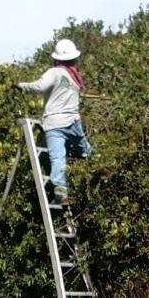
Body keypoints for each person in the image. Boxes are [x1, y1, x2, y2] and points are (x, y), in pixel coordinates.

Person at [17, 38, 93, 204]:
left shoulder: (57, 72)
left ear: (57, 58)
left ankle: (61, 193)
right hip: (72, 122)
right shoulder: (73, 76)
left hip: (56, 124)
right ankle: (86, 175)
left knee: (58, 158)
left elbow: (39, 87)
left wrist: (22, 86)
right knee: (86, 152)